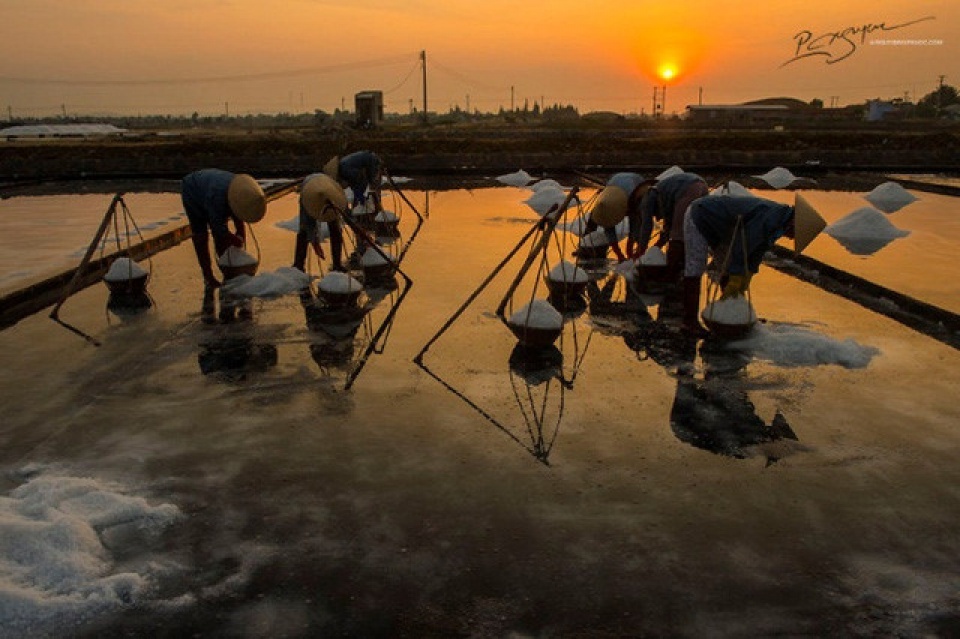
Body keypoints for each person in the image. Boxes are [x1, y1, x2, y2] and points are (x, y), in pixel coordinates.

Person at [680, 193, 826, 336]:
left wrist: (748, 273)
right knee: (695, 268)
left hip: (721, 227)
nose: (791, 238)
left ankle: (730, 315)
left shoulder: (779, 220)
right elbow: (741, 247)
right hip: (700, 215)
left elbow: (757, 251)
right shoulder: (770, 218)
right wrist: (737, 276)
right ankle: (689, 322)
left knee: (730, 268)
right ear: (795, 223)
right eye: (794, 234)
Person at [181, 169, 266, 288]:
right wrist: (235, 241)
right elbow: (219, 230)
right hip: (193, 189)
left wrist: (240, 236)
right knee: (201, 235)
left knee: (225, 237)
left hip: (213, 187)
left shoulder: (240, 190)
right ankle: (208, 276)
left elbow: (238, 216)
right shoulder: (217, 198)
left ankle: (228, 269)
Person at [634, 171, 710, 280]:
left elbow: (647, 225)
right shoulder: (665, 199)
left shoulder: (648, 197)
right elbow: (668, 228)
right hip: (702, 187)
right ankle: (683, 270)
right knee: (690, 232)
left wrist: (640, 251)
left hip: (688, 189)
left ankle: (670, 274)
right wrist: (657, 246)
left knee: (677, 237)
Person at [583, 172, 654, 262]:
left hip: (635, 184)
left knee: (640, 223)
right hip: (614, 183)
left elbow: (635, 221)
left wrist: (630, 245)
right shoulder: (607, 203)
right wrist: (618, 253)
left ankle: (641, 252)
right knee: (593, 220)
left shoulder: (633, 198)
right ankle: (585, 244)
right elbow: (609, 227)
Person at [293, 172, 348, 272]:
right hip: (309, 189)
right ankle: (298, 265)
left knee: (335, 229)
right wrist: (315, 243)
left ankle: (337, 264)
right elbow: (309, 225)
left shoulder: (334, 196)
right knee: (304, 231)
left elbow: (342, 210)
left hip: (327, 189)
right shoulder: (308, 198)